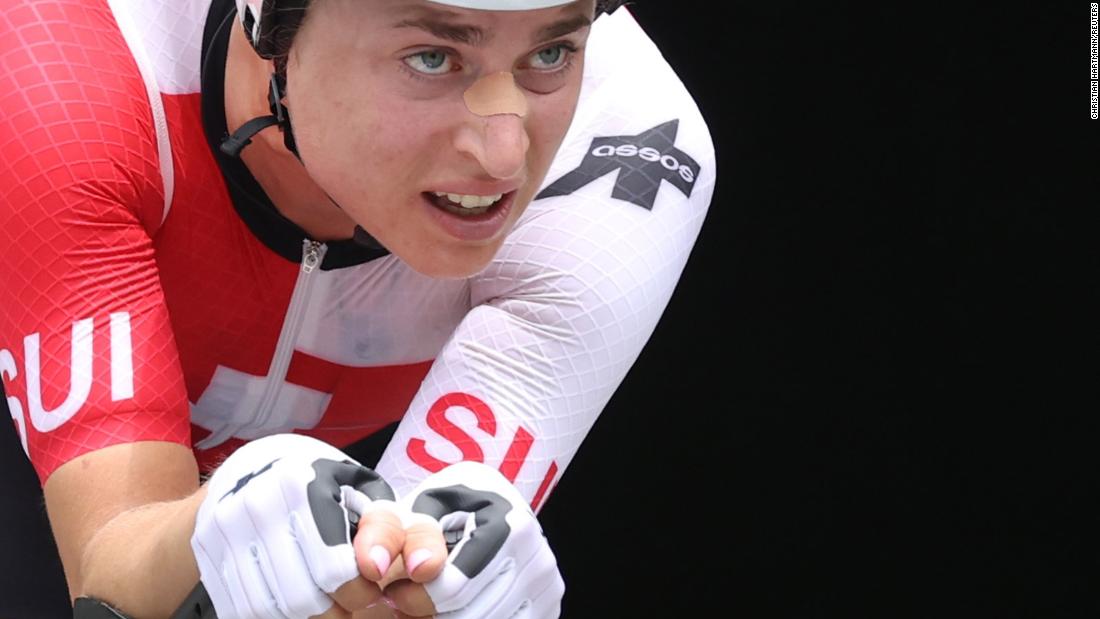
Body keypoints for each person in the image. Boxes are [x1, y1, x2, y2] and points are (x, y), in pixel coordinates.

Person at [0, 0, 715, 616]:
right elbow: (112, 568)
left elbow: (383, 579)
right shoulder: (66, 68)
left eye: (553, 51)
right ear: (272, 27)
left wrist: (429, 590)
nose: (505, 154)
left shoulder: (626, 148)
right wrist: (205, 531)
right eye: (433, 57)